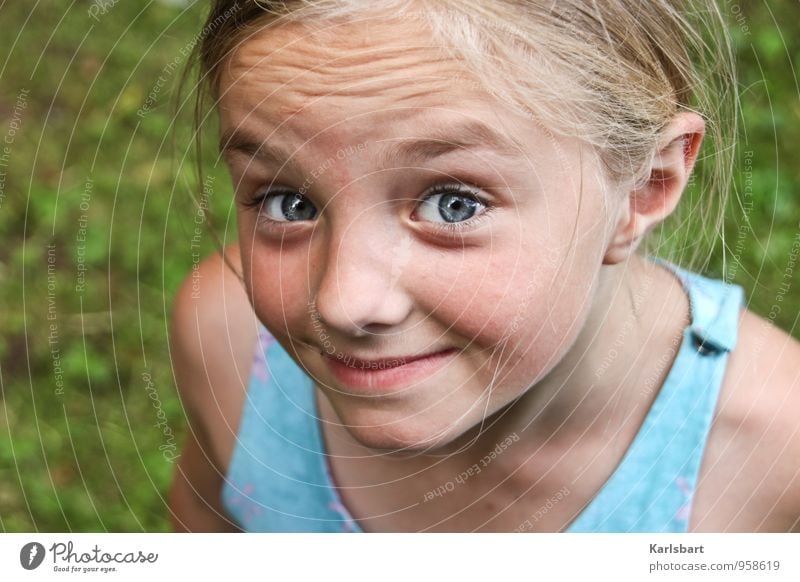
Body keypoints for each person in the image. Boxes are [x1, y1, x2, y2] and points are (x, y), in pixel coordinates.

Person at [168, 0, 800, 532]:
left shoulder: (774, 458)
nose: (343, 301)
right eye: (291, 201)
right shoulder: (227, 340)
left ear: (643, 187)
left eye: (454, 205)